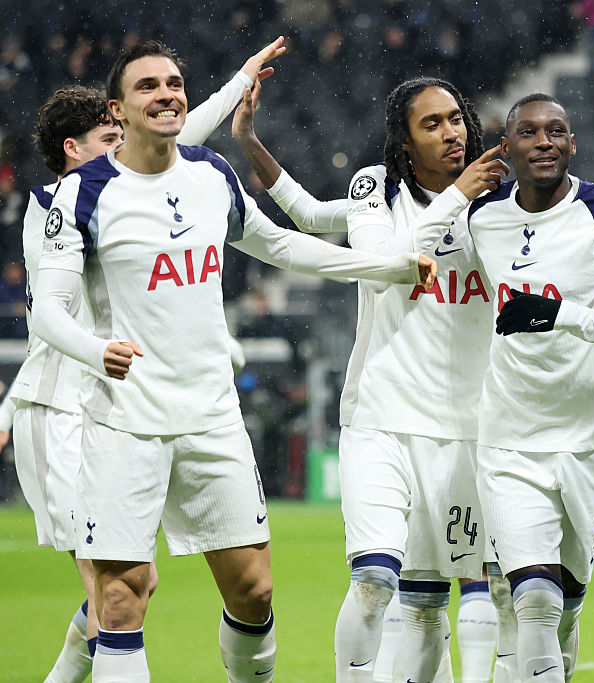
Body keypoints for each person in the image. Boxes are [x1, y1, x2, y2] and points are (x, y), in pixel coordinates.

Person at [30, 40, 434, 682]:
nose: (166, 94)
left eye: (174, 83)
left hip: (212, 416)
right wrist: (95, 349)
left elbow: (282, 247)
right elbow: (46, 309)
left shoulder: (210, 174)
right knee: (119, 597)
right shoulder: (82, 194)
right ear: (119, 108)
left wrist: (384, 264)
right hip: (122, 421)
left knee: (255, 593)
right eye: (147, 87)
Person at [9, 37, 286, 683]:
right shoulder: (60, 206)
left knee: (136, 589)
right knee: (119, 595)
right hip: (72, 402)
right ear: (73, 151)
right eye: (107, 136)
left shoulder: (138, 184)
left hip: (147, 392)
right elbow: (48, 318)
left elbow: (178, 136)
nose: (121, 146)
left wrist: (239, 74)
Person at [232, 75, 507, 683]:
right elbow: (387, 266)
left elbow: (307, 210)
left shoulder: (504, 206)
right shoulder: (376, 187)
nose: (451, 133)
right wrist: (248, 140)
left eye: (455, 119)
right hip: (381, 417)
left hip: (470, 427)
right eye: (430, 124)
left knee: (441, 597)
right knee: (376, 578)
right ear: (404, 143)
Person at [415, 92, 594, 682]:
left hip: (591, 440)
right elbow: (408, 249)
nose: (544, 142)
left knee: (564, 606)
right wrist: (454, 191)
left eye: (556, 131)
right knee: (532, 599)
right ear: (507, 148)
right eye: (528, 133)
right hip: (509, 438)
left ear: (572, 143)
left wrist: (565, 315)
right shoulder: (482, 217)